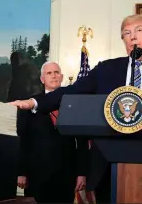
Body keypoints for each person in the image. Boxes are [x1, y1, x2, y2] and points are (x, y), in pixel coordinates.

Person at [9, 14, 142, 203]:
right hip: (109, 168)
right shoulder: (106, 69)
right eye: (126, 33)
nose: (132, 36)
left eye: (138, 30)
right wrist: (35, 103)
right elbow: (74, 91)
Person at [17, 61, 89, 203]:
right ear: (42, 79)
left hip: (67, 174)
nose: (53, 76)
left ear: (62, 77)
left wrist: (82, 173)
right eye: (49, 73)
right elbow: (23, 139)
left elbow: (82, 141)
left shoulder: (75, 103)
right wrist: (21, 172)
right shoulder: (30, 104)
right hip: (37, 173)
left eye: (56, 72)